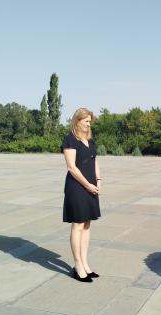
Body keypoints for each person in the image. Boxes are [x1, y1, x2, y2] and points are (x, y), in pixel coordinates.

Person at [61, 107, 101, 282]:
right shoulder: (70, 139)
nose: (88, 124)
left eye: (90, 121)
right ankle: (77, 266)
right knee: (77, 225)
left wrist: (98, 180)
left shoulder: (90, 141)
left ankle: (85, 263)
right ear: (77, 120)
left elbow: (95, 161)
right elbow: (71, 167)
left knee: (86, 225)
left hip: (91, 186)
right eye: (85, 121)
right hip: (77, 187)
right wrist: (87, 185)